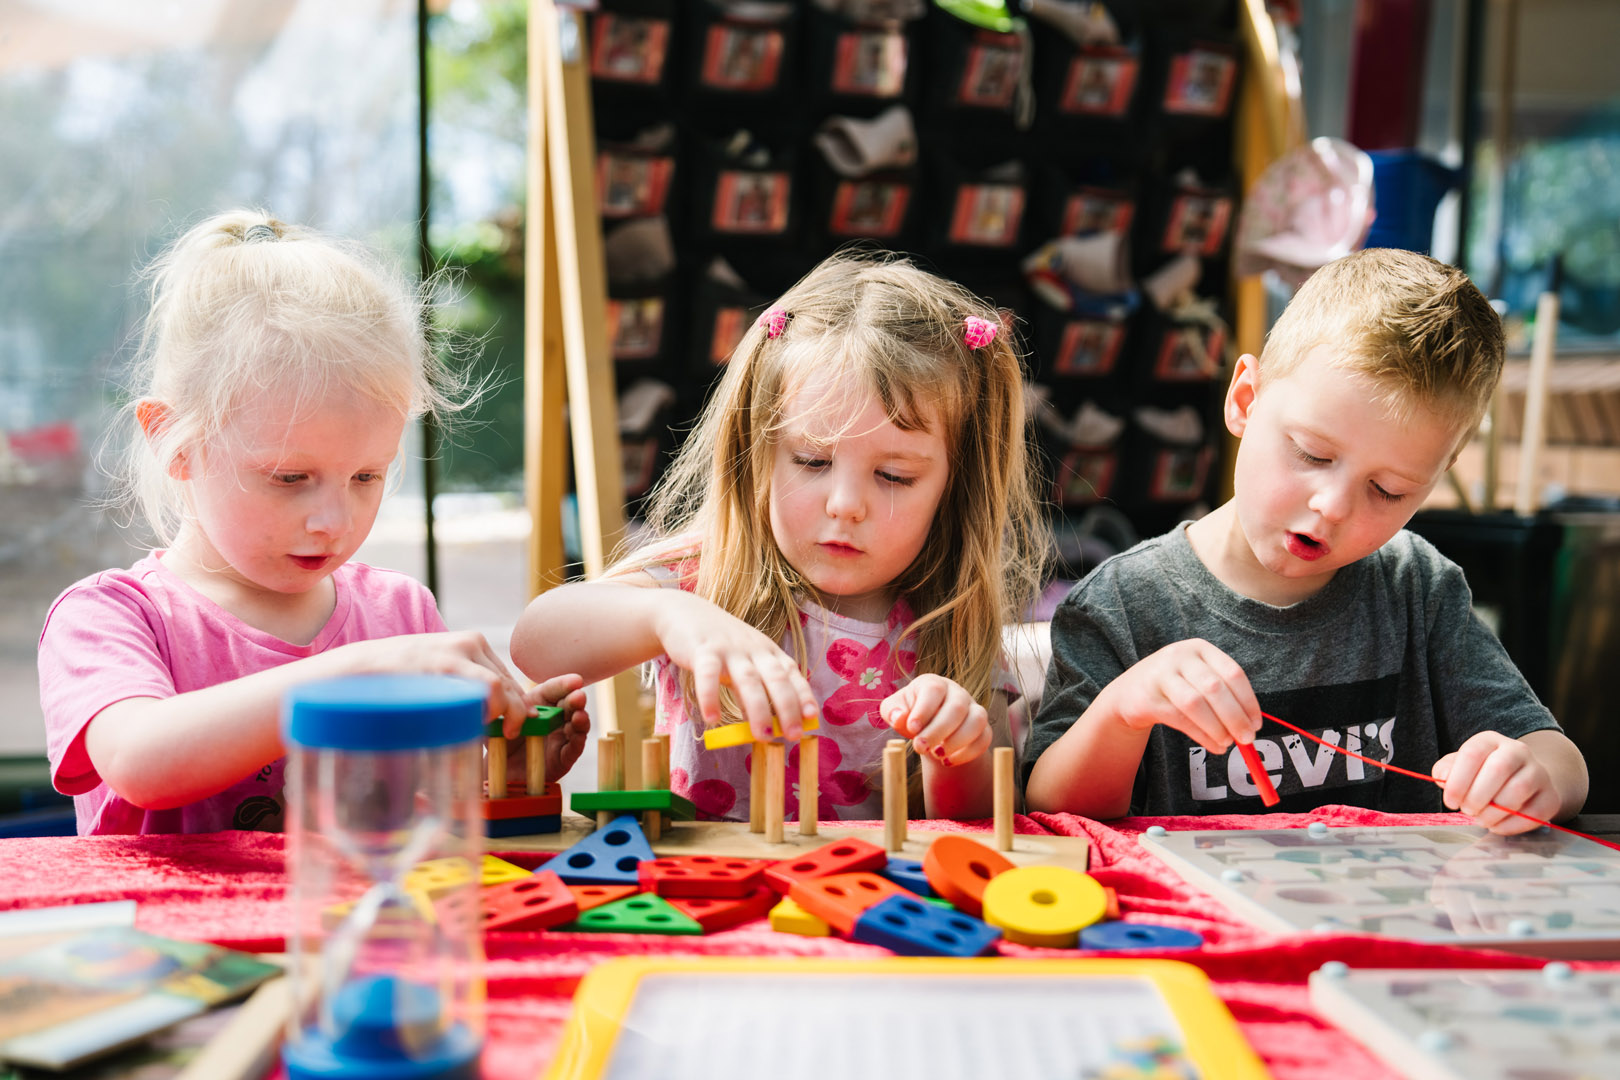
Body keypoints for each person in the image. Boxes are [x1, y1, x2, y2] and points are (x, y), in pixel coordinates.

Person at [38, 211, 590, 836]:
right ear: (174, 441)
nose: (334, 521)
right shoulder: (110, 616)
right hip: (179, 937)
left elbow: (430, 823)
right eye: (290, 478)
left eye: (366, 477)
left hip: (360, 931)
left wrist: (506, 776)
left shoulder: (401, 615)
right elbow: (142, 764)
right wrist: (364, 670)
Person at [1025, 248, 1589, 831]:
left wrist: (1533, 776)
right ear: (1245, 400)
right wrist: (1124, 710)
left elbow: (1557, 756)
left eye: (1389, 490)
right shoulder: (1121, 605)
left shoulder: (1418, 590)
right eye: (1311, 454)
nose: (1333, 506)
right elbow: (1048, 809)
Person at [510, 251, 1048, 822]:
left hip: (866, 906)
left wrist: (956, 754)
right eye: (812, 461)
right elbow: (535, 645)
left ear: (956, 487)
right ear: (758, 453)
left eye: (894, 476)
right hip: (711, 900)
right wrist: (668, 617)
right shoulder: (701, 579)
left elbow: (984, 825)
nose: (845, 504)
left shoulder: (955, 626)